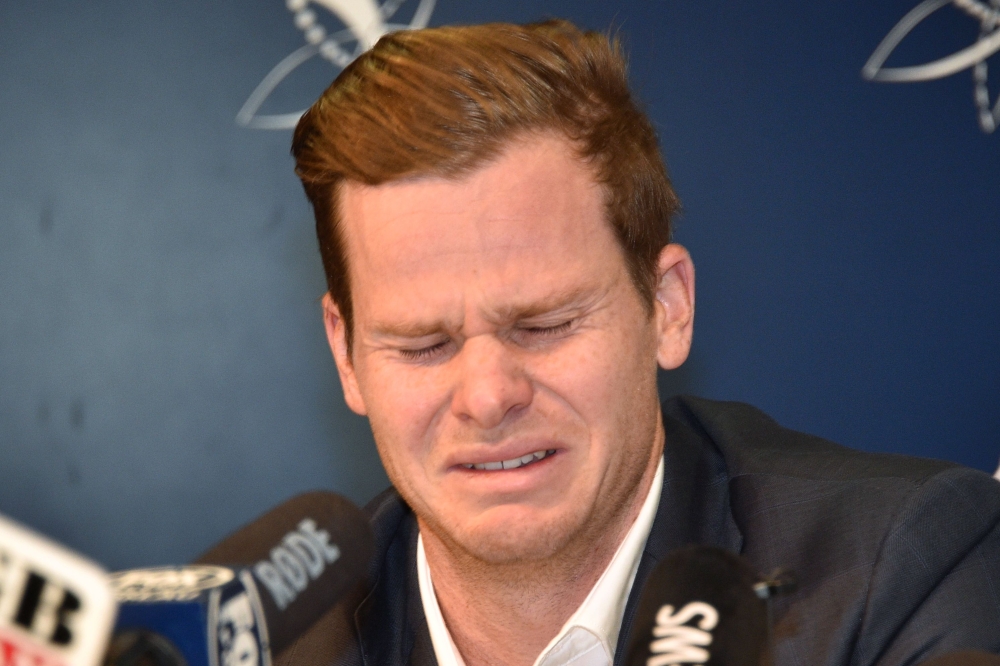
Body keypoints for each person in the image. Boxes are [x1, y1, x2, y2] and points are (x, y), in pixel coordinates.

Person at [282, 19, 1000, 666]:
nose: (488, 396)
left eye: (544, 325)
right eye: (422, 344)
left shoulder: (899, 573)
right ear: (346, 357)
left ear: (667, 307)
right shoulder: (274, 646)